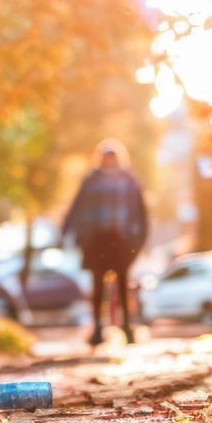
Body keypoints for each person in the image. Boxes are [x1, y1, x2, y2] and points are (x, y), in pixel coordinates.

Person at [61, 140, 149, 346]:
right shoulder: (91, 180)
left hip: (121, 239)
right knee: (98, 286)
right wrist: (67, 231)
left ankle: (127, 327)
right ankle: (98, 329)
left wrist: (140, 238)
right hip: (96, 239)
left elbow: (141, 212)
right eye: (105, 155)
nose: (109, 159)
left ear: (118, 157)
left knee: (122, 284)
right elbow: (78, 206)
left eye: (112, 155)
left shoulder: (129, 180)